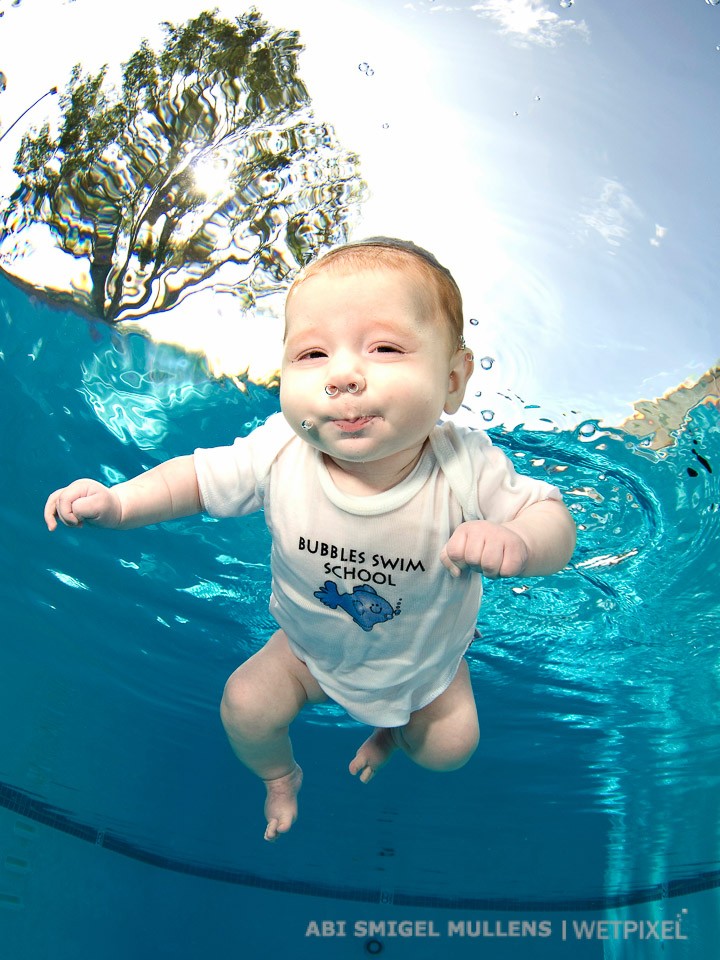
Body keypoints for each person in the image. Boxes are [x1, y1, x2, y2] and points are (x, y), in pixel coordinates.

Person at [44, 237, 576, 842]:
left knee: (450, 749)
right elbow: (193, 479)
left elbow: (551, 517)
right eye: (313, 353)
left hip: (425, 664)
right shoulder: (280, 449)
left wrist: (521, 542)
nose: (344, 375)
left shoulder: (467, 466)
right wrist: (118, 503)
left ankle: (393, 728)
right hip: (307, 653)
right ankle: (280, 778)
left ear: (452, 380)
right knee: (245, 706)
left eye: (384, 347)